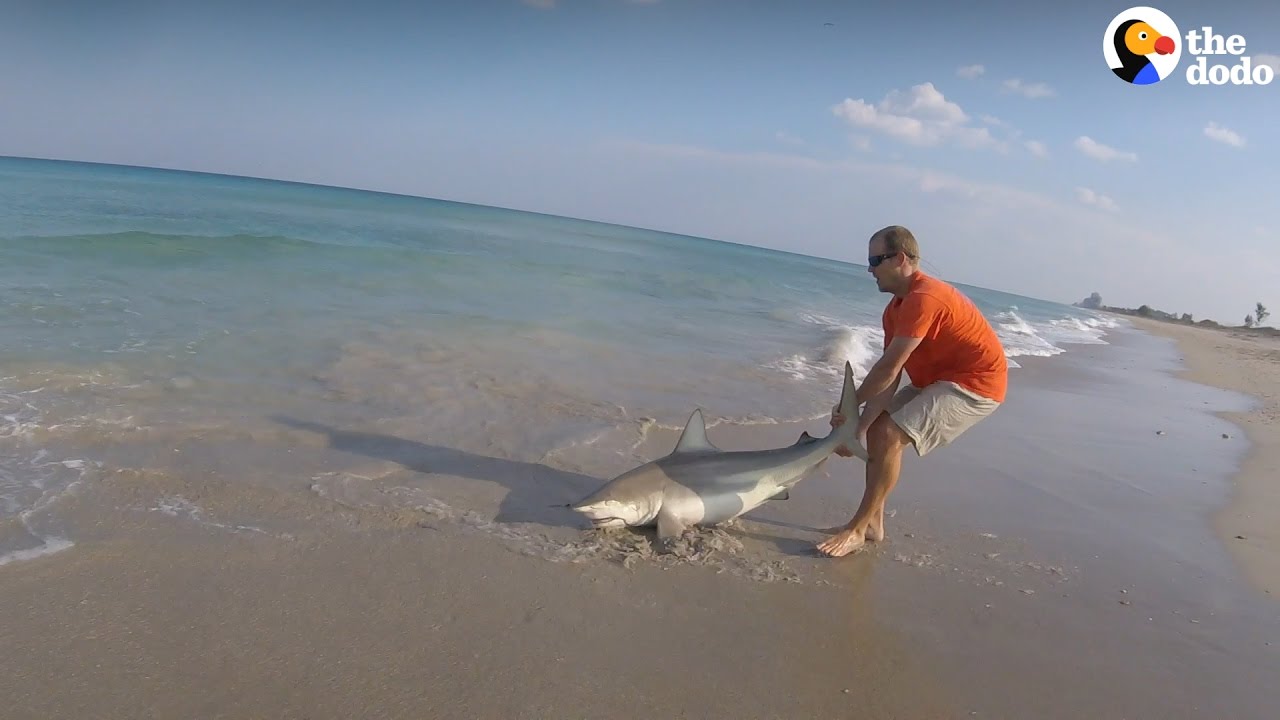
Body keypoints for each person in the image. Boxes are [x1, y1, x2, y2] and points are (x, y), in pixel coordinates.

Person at [817, 225, 1008, 558]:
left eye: (876, 260)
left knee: (890, 435)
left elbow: (887, 369)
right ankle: (873, 524)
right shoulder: (894, 310)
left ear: (901, 258)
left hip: (977, 384)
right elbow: (891, 378)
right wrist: (858, 429)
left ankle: (858, 529)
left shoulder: (925, 298)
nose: (870, 269)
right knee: (878, 431)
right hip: (937, 381)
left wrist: (851, 405)